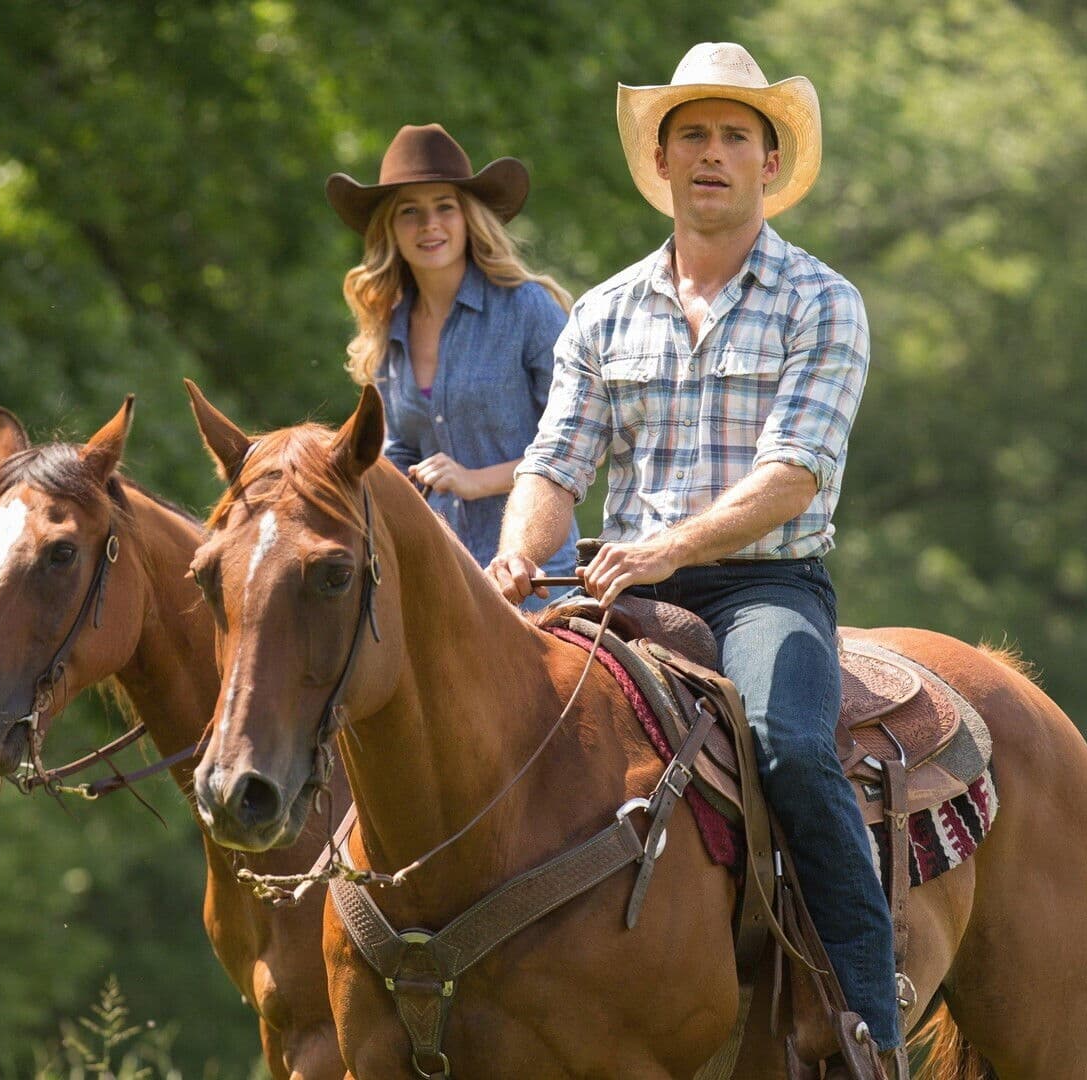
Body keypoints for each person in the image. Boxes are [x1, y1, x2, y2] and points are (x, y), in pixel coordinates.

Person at [485, 43, 906, 1075]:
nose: (711, 155)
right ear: (664, 163)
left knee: (792, 747)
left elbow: (795, 473)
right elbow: (553, 465)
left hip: (763, 584)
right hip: (618, 586)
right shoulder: (603, 313)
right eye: (692, 138)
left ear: (769, 165)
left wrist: (665, 544)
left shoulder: (821, 301)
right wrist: (511, 555)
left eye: (733, 137)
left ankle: (865, 1022)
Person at [328, 123, 579, 605]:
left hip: (534, 581)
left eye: (445, 206)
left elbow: (580, 444)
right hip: (433, 581)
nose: (429, 225)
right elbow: (399, 450)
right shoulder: (388, 325)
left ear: (468, 218)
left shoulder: (527, 309)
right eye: (410, 212)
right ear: (390, 229)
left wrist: (473, 480)